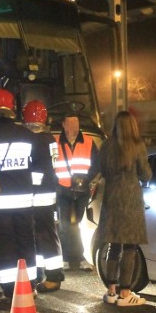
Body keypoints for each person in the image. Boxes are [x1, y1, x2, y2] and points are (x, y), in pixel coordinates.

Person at [0, 88, 54, 299]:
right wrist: (30, 185)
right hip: (24, 202)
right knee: (26, 243)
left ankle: (10, 290)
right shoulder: (26, 135)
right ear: (12, 109)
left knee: (5, 247)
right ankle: (29, 286)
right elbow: (42, 164)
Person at [97, 111, 152, 307]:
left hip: (111, 199)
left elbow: (102, 170)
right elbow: (145, 175)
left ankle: (111, 291)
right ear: (132, 126)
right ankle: (125, 293)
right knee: (130, 246)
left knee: (114, 245)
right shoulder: (136, 146)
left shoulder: (106, 146)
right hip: (130, 200)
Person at [22, 100, 64, 292]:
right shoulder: (49, 139)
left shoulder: (33, 140)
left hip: (36, 194)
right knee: (45, 234)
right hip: (48, 194)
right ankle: (43, 272)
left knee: (42, 235)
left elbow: (33, 170)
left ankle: (53, 276)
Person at [54, 112, 99, 271]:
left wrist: (87, 179)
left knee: (80, 225)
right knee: (65, 227)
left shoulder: (88, 141)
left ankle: (79, 257)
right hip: (63, 189)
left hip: (82, 191)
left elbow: (96, 163)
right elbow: (50, 165)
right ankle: (66, 258)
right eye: (70, 124)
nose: (73, 128)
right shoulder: (55, 142)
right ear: (63, 125)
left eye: (76, 125)